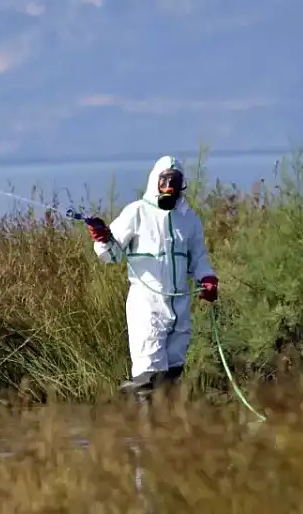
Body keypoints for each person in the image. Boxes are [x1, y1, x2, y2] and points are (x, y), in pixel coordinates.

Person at [84, 155, 218, 399]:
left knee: (171, 378)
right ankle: (142, 431)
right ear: (155, 182)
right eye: (164, 181)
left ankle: (167, 432)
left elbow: (198, 258)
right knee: (149, 378)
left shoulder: (188, 218)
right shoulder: (137, 212)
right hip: (148, 307)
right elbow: (112, 256)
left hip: (180, 308)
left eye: (174, 183)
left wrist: (207, 279)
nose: (169, 188)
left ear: (181, 185)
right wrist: (103, 238)